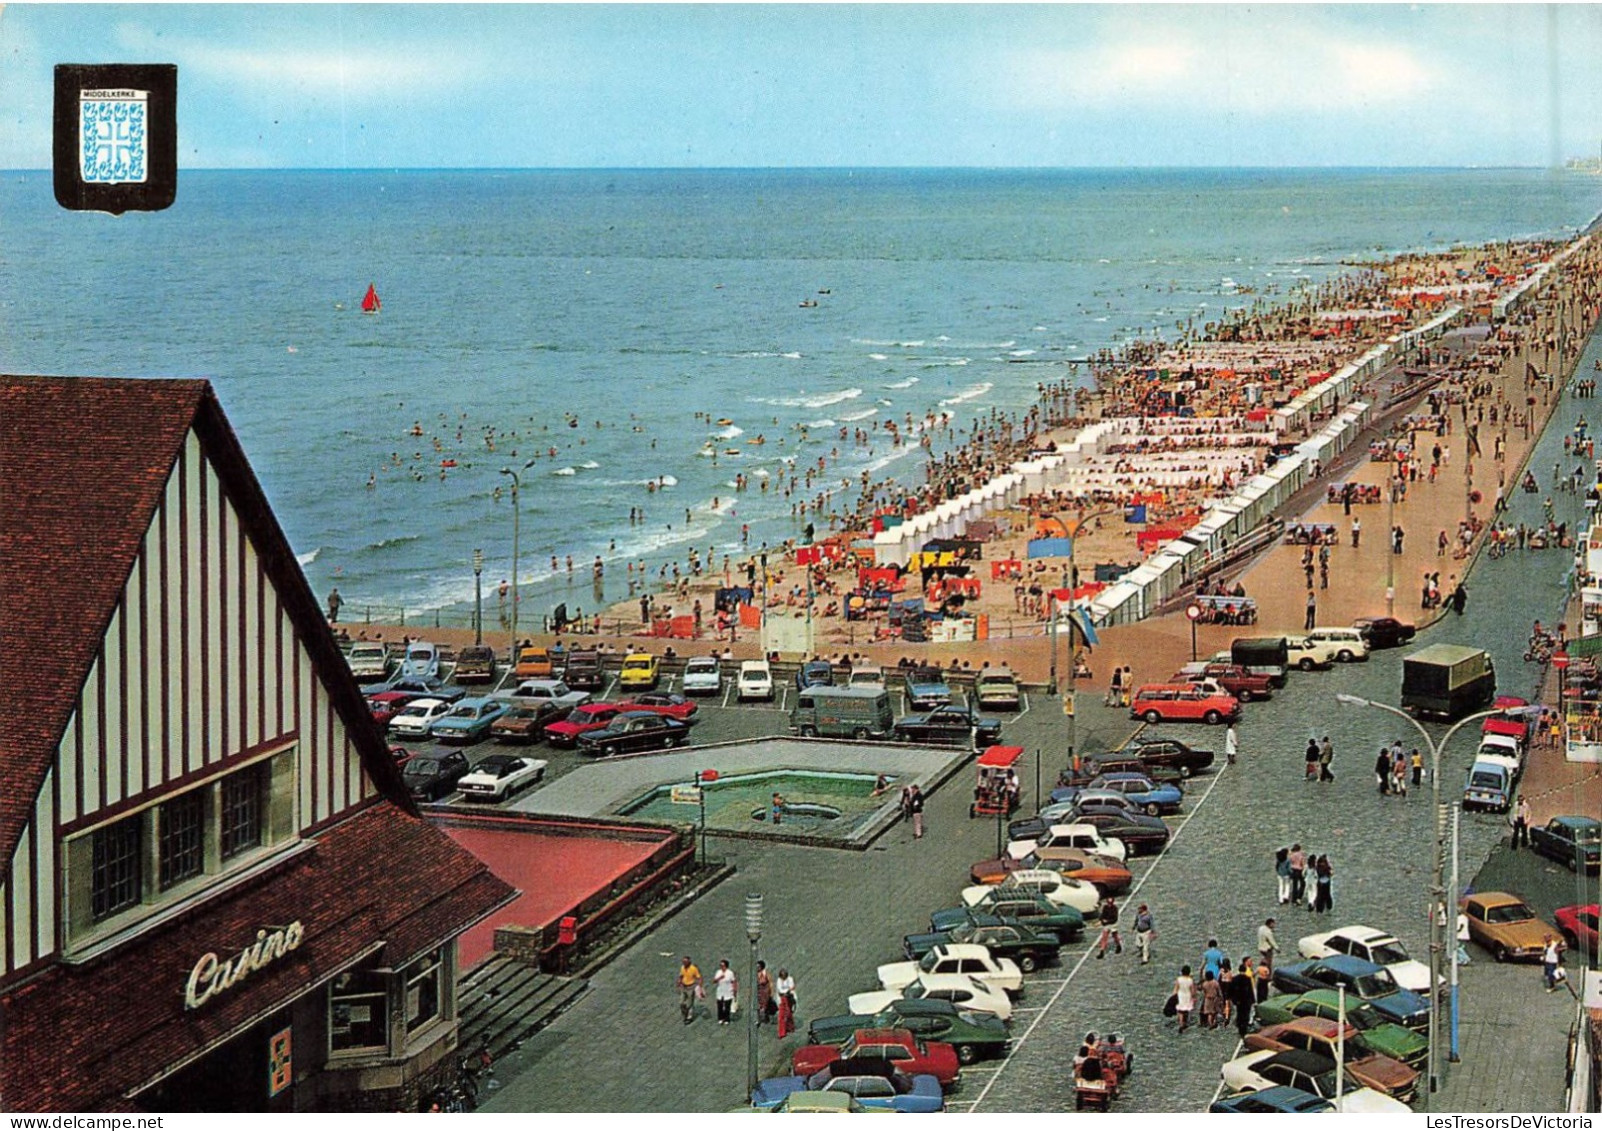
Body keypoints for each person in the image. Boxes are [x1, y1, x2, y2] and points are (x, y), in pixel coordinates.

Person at [1231, 957, 1258, 1037]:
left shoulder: (1235, 979)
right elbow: (1250, 990)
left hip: (1239, 1000)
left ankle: (1240, 1028)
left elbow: (1232, 990)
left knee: (1240, 1013)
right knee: (1246, 1014)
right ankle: (1244, 1028)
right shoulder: (1247, 979)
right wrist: (1253, 1000)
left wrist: (1233, 999)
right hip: (1246, 1000)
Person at [677, 955, 703, 1025]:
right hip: (684, 987)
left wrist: (699, 988)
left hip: (691, 987)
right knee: (681, 1003)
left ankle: (689, 1017)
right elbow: (681, 976)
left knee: (690, 1004)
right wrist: (679, 983)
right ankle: (685, 1013)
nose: (684, 963)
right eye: (683, 962)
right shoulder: (682, 967)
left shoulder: (693, 969)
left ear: (689, 962)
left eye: (685, 962)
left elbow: (699, 978)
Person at [712, 958, 738, 1025]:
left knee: (727, 1006)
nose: (721, 967)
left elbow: (733, 981)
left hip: (728, 991)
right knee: (720, 1006)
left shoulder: (730, 973)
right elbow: (714, 981)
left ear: (726, 966)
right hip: (720, 991)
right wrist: (719, 978)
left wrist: (735, 990)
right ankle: (720, 1018)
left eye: (722, 965)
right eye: (720, 965)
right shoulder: (718, 972)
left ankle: (727, 1019)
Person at [775, 968, 797, 1037]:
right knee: (781, 1016)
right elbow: (780, 990)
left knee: (789, 1013)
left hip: (789, 998)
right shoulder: (779, 980)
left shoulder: (790, 979)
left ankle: (790, 1027)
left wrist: (787, 992)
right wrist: (786, 991)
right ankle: (782, 1033)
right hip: (782, 999)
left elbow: (791, 988)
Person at [1173, 965, 1195, 1033]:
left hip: (1181, 995)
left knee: (1180, 1010)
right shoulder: (1190, 980)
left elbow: (1176, 989)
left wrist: (1173, 996)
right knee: (1186, 1010)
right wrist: (1193, 997)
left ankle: (1181, 1023)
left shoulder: (1179, 979)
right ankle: (1184, 1022)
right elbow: (1192, 990)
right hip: (1187, 995)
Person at [755, 960, 775, 1024]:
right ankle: (758, 1019)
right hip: (758, 991)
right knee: (758, 1005)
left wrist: (771, 992)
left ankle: (766, 1017)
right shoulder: (755, 974)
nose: (757, 968)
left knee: (765, 1005)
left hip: (765, 992)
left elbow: (770, 982)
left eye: (758, 967)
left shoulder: (766, 973)